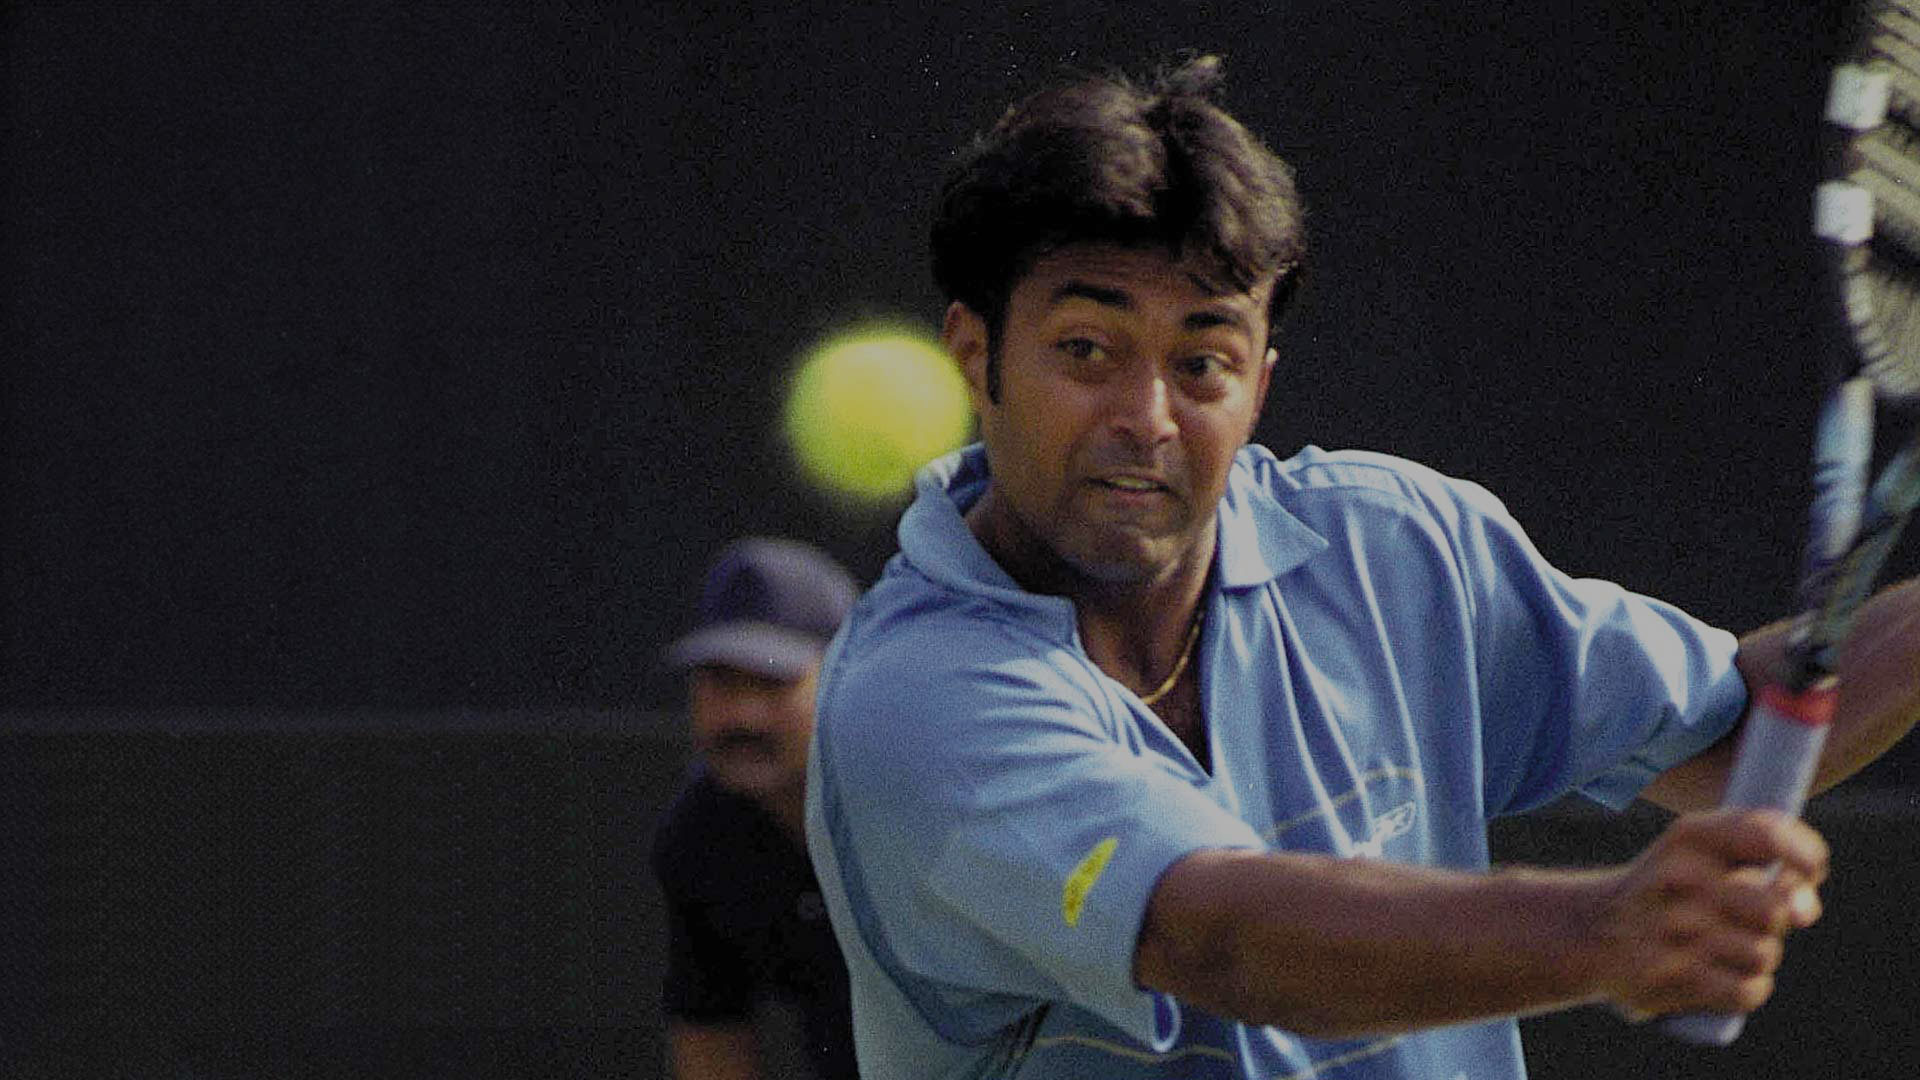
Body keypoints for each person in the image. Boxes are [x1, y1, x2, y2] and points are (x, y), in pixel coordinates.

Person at [803, 55, 1920, 1080]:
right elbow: (1222, 939)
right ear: (974, 352)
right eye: (1087, 351)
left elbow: (1730, 742)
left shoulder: (1398, 547)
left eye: (1203, 360)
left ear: (1260, 385)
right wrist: (1606, 929)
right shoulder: (913, 699)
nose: (1145, 417)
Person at [650, 537, 862, 1079]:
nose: (743, 715)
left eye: (774, 681)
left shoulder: (927, 810)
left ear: (850, 678)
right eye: (722, 681)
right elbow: (711, 1044)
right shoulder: (700, 840)